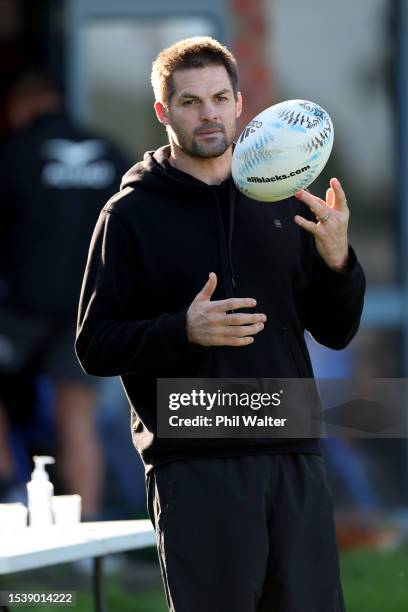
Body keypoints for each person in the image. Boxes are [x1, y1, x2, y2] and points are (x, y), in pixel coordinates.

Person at [76, 37, 365, 611]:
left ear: (239, 104)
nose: (208, 113)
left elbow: (336, 330)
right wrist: (182, 330)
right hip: (196, 461)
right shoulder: (130, 214)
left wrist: (338, 261)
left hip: (292, 450)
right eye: (189, 102)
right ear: (163, 112)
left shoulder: (286, 197)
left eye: (219, 98)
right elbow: (95, 346)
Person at [0, 71, 129, 516]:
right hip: (89, 309)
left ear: (22, 107)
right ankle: (86, 541)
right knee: (77, 419)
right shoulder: (112, 154)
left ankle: (8, 491)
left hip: (22, 308)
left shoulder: (13, 154)